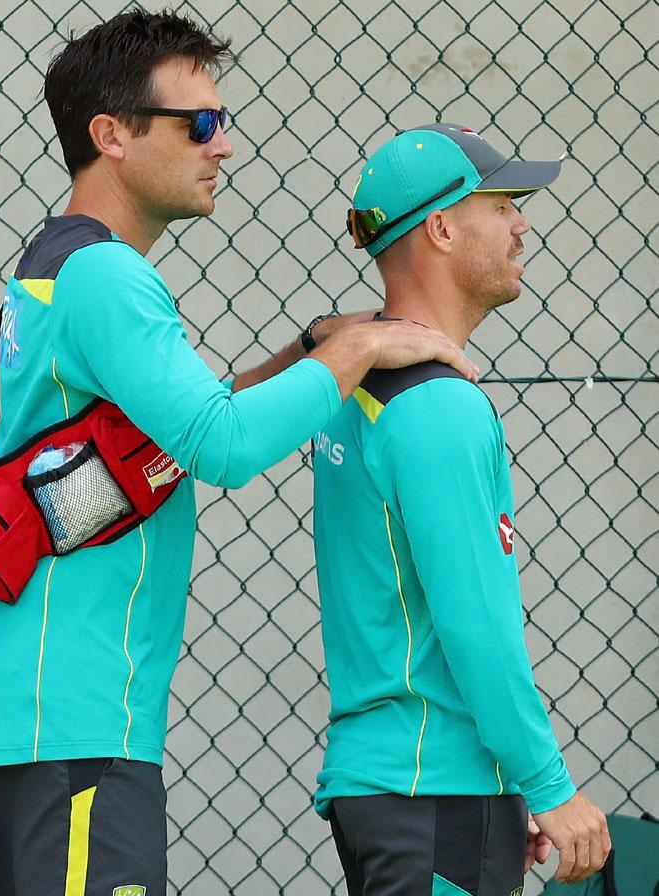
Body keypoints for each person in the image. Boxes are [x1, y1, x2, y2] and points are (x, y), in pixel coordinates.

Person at [0, 11, 479, 896]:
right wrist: (356, 352)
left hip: (34, 720)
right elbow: (221, 445)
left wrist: (307, 345)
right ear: (111, 135)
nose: (222, 145)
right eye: (198, 123)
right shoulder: (110, 277)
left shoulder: (55, 269)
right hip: (75, 730)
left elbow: (171, 426)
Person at [311, 122, 612, 895]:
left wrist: (504, 793)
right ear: (441, 228)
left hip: (399, 787)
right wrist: (547, 786)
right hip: (431, 788)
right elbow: (476, 623)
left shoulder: (354, 386)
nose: (522, 223)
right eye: (504, 203)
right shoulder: (438, 405)